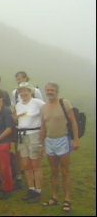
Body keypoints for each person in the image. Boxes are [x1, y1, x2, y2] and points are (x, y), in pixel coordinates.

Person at [41, 82, 80, 212]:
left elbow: (73, 122)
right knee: (53, 171)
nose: (50, 92)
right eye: (48, 90)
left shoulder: (65, 103)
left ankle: (67, 199)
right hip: (50, 142)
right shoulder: (44, 107)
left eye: (52, 90)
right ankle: (55, 197)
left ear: (57, 91)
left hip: (63, 140)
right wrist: (42, 144)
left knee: (65, 171)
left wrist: (76, 140)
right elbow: (43, 127)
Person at [14, 82, 45, 203]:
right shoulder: (18, 105)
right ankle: (31, 188)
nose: (23, 93)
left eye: (25, 90)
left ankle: (38, 191)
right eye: (21, 91)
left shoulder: (38, 103)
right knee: (26, 164)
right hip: (22, 135)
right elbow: (18, 119)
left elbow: (46, 115)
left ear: (31, 91)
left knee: (35, 164)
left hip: (34, 135)